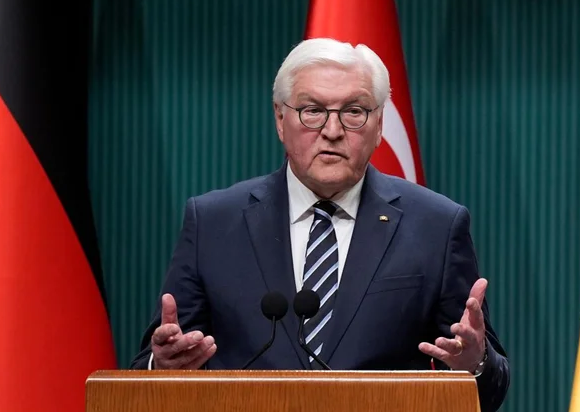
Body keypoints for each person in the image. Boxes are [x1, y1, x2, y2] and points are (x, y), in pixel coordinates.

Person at [130, 37, 510, 411]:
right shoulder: (213, 222)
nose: (332, 130)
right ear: (280, 119)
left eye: (354, 111)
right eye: (312, 110)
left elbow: (490, 389)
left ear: (379, 124)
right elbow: (150, 369)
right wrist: (160, 367)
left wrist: (474, 365)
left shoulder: (436, 226)